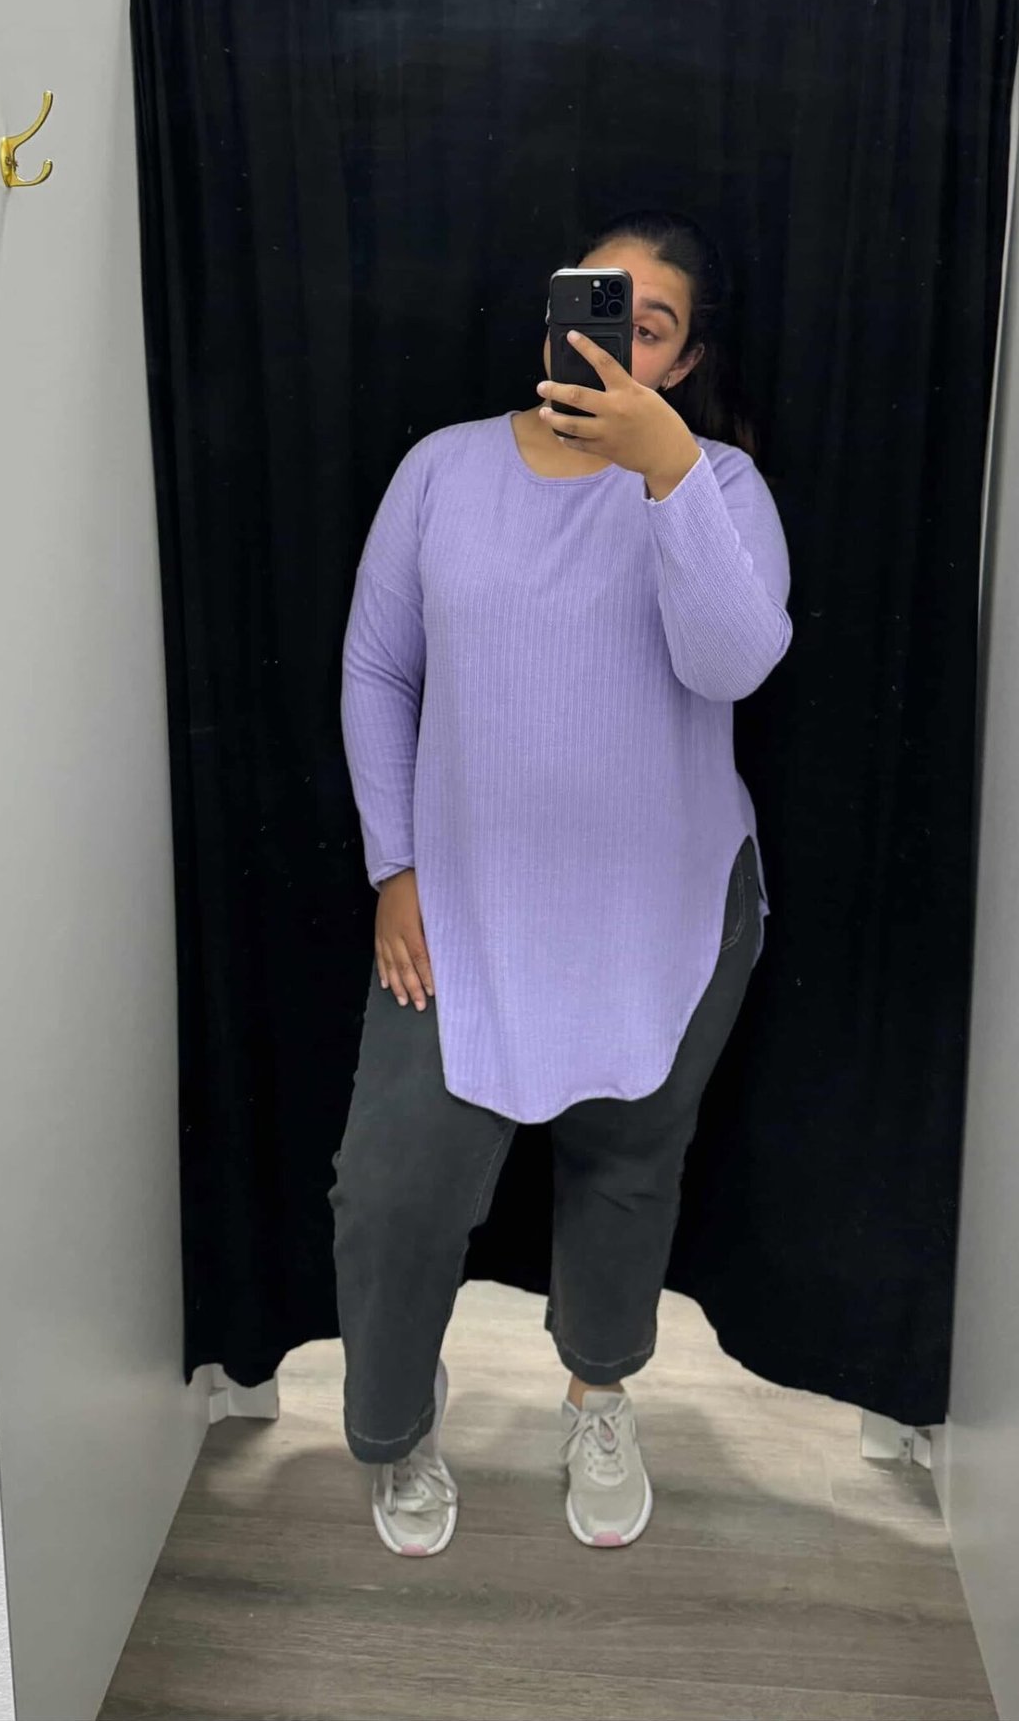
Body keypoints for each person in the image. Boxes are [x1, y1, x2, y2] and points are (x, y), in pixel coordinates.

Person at [333, 208, 793, 1557]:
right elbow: (378, 668)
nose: (615, 341)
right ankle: (395, 1425)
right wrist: (393, 864)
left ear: (685, 359)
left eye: (650, 326)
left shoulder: (721, 487)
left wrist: (666, 473)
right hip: (460, 911)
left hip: (665, 915)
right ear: (553, 311)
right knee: (394, 1192)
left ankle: (599, 1394)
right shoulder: (442, 469)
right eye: (600, 305)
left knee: (625, 1169)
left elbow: (729, 663)